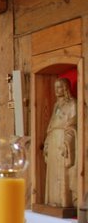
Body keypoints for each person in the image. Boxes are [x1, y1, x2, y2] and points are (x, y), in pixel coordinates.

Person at [43, 77, 77, 208]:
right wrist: (47, 142)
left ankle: (64, 201)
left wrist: (67, 141)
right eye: (55, 87)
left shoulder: (72, 104)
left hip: (63, 139)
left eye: (60, 87)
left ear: (66, 88)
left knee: (62, 172)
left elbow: (73, 125)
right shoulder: (56, 105)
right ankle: (52, 200)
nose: (57, 90)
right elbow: (51, 125)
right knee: (52, 172)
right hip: (53, 139)